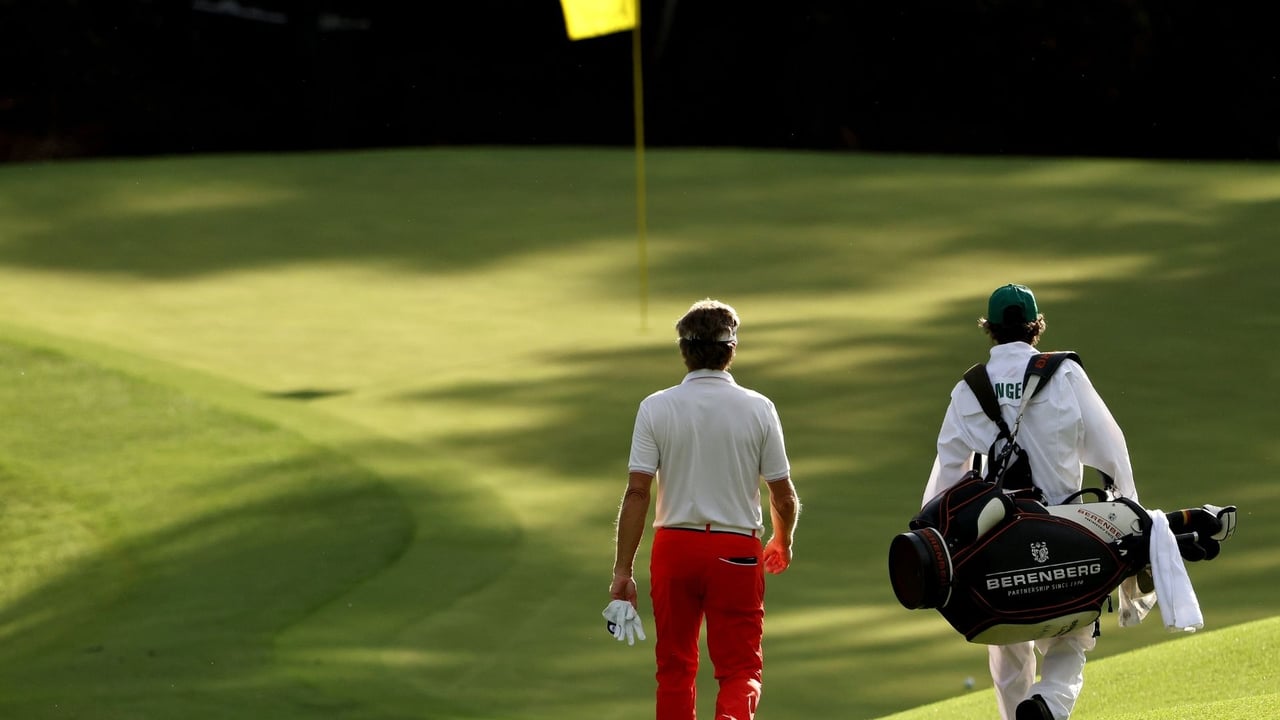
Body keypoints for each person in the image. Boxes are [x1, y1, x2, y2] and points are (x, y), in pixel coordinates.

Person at [922, 284, 1139, 720]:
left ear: (991, 329)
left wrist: (932, 541)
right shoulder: (1065, 375)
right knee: (1072, 637)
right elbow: (1111, 449)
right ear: (1036, 327)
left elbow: (946, 477)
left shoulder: (969, 389)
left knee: (1007, 646)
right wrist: (1129, 513)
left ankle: (1021, 712)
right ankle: (1049, 704)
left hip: (995, 543)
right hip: (1064, 534)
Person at [610, 298, 800, 720]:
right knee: (740, 669)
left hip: (674, 549)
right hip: (736, 550)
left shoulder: (655, 406)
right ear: (731, 350)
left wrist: (622, 571)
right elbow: (782, 495)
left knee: (674, 669)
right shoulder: (758, 407)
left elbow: (637, 493)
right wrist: (782, 540)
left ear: (684, 350)